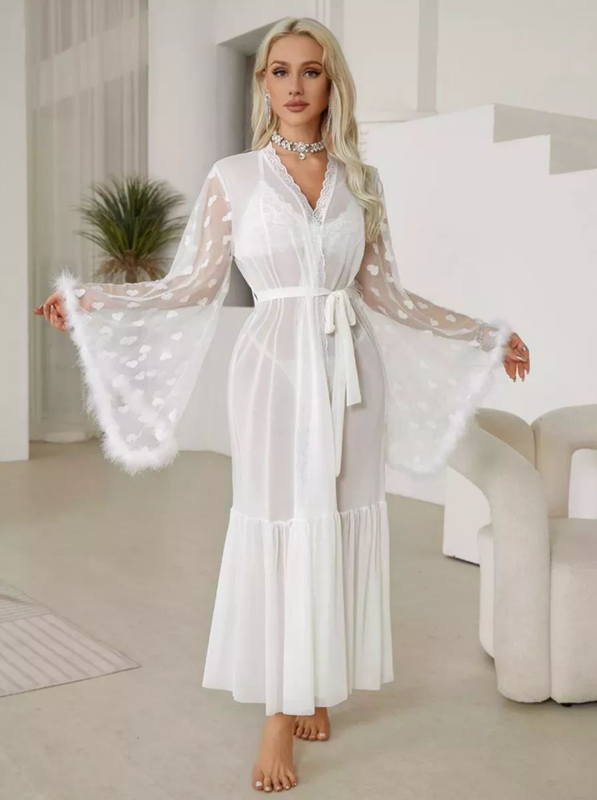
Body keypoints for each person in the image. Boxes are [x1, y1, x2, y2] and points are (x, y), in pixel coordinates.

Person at [34, 16, 530, 794]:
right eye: (279, 71)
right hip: (273, 368)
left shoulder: (361, 181)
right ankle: (279, 710)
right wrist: (95, 301)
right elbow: (193, 284)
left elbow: (385, 294)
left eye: (311, 71)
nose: (294, 85)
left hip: (350, 368)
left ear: (332, 84)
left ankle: (315, 683)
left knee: (335, 519)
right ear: (262, 84)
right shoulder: (233, 176)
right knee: (282, 518)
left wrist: (483, 334)